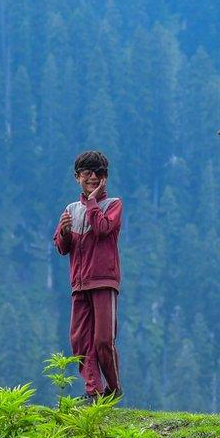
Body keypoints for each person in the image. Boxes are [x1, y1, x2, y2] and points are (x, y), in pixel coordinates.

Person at [53, 151, 123, 402]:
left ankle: (113, 390)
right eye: (87, 172)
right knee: (80, 341)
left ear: (106, 177)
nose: (93, 177)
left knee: (103, 340)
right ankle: (94, 391)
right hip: (79, 284)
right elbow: (62, 247)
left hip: (104, 281)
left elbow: (104, 229)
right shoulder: (71, 209)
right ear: (77, 177)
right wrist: (64, 232)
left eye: (99, 173)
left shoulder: (113, 204)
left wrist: (92, 202)